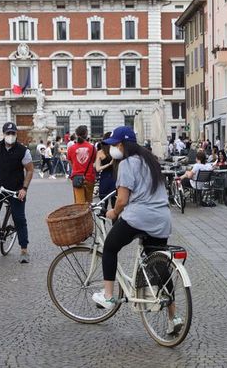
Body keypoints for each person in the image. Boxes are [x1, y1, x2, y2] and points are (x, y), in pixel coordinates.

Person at [91, 127, 182, 334]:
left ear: (124, 145)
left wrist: (113, 213)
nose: (113, 148)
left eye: (116, 145)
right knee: (159, 266)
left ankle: (107, 296)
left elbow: (122, 200)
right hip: (162, 218)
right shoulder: (151, 161)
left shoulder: (127, 164)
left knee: (110, 247)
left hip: (139, 217)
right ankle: (174, 316)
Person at [0, 122, 34, 263]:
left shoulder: (23, 151)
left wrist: (24, 189)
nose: (10, 136)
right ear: (3, 134)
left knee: (19, 219)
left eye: (13, 133)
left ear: (16, 134)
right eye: (8, 133)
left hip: (16, 189)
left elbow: (30, 170)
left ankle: (24, 250)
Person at [67, 126, 96, 204]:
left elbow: (70, 161)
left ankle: (81, 216)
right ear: (86, 134)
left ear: (76, 134)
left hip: (77, 177)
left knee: (79, 204)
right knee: (89, 203)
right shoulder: (92, 147)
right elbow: (93, 161)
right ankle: (89, 216)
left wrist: (75, 168)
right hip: (89, 177)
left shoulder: (71, 148)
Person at [95, 132, 117, 209]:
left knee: (103, 204)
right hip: (115, 177)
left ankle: (103, 220)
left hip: (104, 178)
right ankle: (114, 221)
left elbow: (97, 168)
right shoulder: (115, 151)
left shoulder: (100, 152)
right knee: (115, 204)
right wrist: (111, 164)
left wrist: (108, 164)